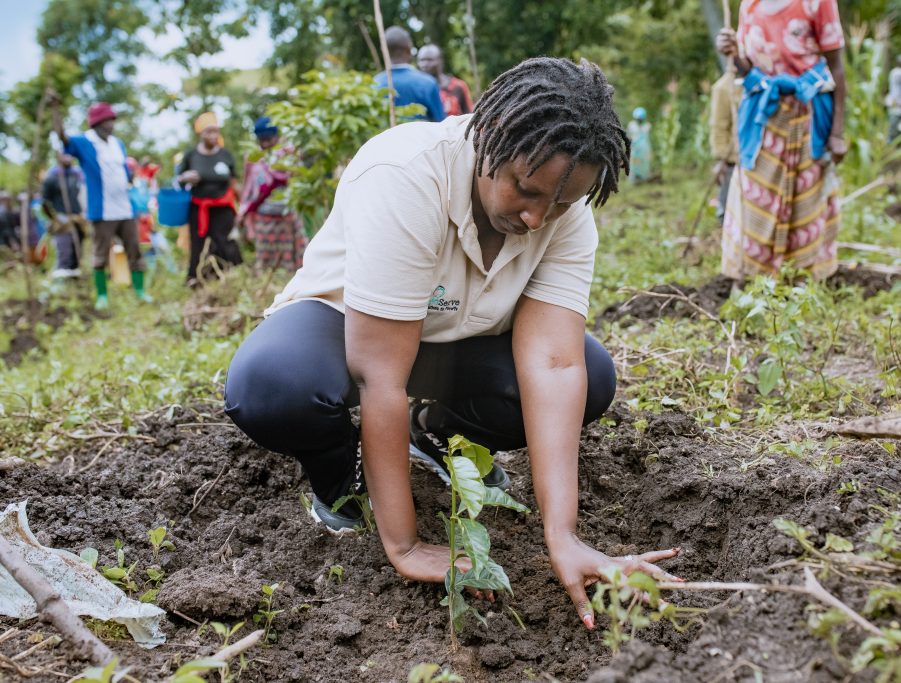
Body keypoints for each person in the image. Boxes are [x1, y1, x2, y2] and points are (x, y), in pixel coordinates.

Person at [224, 57, 684, 630]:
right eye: (525, 189)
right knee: (272, 387)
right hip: (344, 330)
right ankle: (340, 481)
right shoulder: (406, 174)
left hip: (454, 343)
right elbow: (379, 376)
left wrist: (562, 536)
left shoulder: (566, 218)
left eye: (560, 204)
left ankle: (435, 436)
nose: (537, 218)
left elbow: (555, 362)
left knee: (591, 373)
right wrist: (406, 546)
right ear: (487, 137)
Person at [716, 0, 848, 281]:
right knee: (755, 195)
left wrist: (836, 134)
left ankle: (802, 281)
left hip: (808, 115)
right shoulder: (749, 5)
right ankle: (754, 278)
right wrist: (733, 53)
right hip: (763, 117)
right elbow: (747, 67)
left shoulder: (818, 3)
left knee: (806, 197)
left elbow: (836, 68)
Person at [50, 98, 152, 308]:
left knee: (134, 249)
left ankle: (140, 291)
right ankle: (102, 296)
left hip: (125, 207)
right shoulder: (84, 142)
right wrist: (55, 110)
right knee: (100, 254)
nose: (111, 125)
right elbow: (62, 137)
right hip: (102, 210)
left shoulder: (118, 143)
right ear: (97, 123)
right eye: (107, 121)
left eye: (112, 121)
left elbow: (123, 170)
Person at [176, 112, 243, 286]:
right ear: (200, 133)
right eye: (209, 132)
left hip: (222, 207)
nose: (213, 136)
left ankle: (230, 274)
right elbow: (179, 180)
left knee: (224, 241)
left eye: (215, 131)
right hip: (199, 207)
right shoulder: (191, 155)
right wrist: (185, 178)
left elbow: (233, 182)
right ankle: (195, 277)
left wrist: (242, 206)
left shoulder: (225, 155)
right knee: (198, 243)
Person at [237, 116, 307, 271]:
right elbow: (248, 187)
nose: (266, 143)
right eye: (262, 140)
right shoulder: (253, 159)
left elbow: (300, 178)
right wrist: (243, 211)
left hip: (287, 214)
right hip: (265, 216)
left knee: (294, 257)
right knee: (266, 260)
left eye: (269, 139)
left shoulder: (289, 154)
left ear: (277, 136)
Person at [373, 27, 446, 123]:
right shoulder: (427, 83)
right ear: (409, 49)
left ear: (383, 51)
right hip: (422, 138)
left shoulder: (374, 84)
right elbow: (442, 125)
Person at [41, 154, 87, 278]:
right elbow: (44, 202)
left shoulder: (77, 175)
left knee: (76, 253)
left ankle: (75, 280)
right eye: (64, 155)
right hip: (62, 221)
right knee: (64, 252)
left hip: (78, 219)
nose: (67, 158)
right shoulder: (52, 178)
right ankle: (60, 279)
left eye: (69, 155)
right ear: (58, 157)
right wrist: (54, 218)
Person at [709, 68, 741, 223]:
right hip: (732, 159)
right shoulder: (724, 87)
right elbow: (719, 127)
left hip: (753, 159)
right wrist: (721, 158)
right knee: (728, 208)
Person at [417, 44, 474, 117]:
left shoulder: (458, 86)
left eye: (429, 60)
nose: (425, 64)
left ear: (440, 61)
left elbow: (470, 116)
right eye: (422, 60)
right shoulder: (417, 89)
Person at [627, 107, 652, 183]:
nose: (639, 120)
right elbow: (628, 136)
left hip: (645, 150)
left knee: (644, 165)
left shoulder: (647, 126)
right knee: (634, 165)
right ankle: (633, 181)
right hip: (635, 149)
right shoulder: (631, 125)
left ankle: (643, 179)